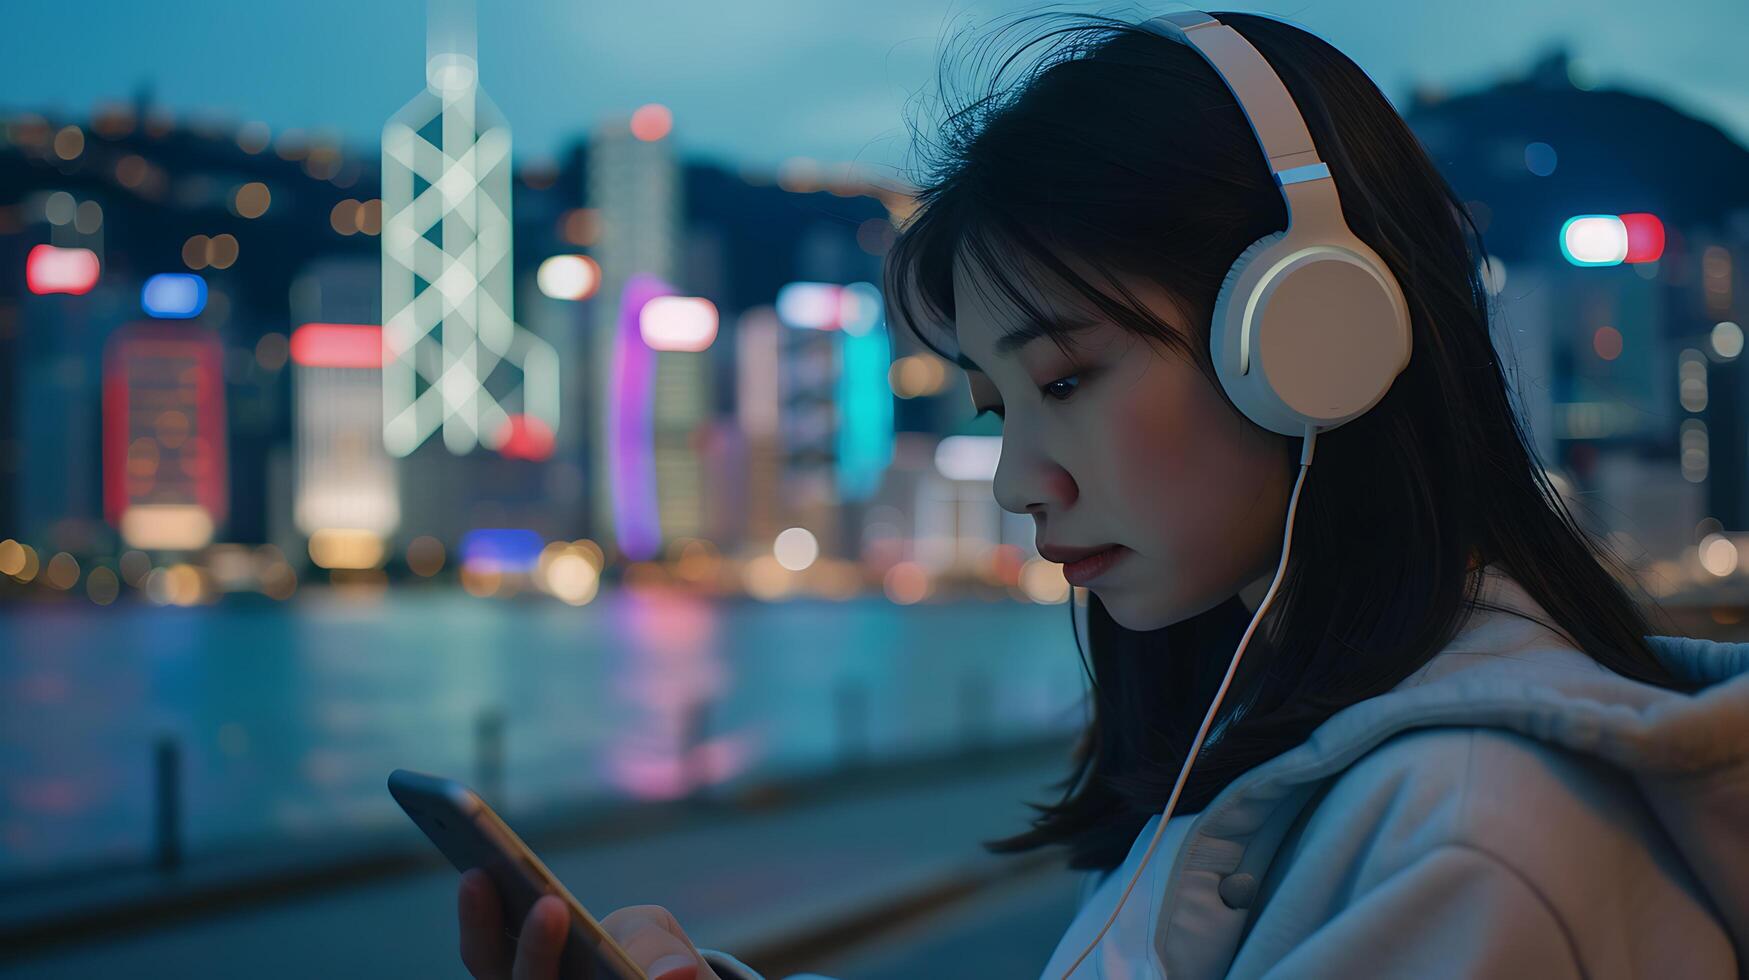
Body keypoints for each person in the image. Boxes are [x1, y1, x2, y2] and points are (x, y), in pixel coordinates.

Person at [454, 9, 1748, 979]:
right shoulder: (1298, 761)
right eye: (991, 407)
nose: (1019, 481)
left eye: (1065, 379)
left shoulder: (1460, 838)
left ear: (1305, 345)